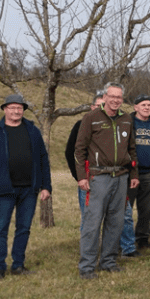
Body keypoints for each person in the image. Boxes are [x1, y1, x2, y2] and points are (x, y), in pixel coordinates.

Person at [0, 94, 52, 278]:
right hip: (3, 190)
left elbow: (43, 159)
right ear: (4, 109)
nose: (16, 111)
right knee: (0, 229)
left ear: (23, 110)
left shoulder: (32, 131)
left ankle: (18, 265)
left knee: (24, 227)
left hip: (29, 189)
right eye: (12, 108)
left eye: (19, 108)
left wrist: (46, 186)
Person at [74, 82, 139, 279]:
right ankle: (86, 266)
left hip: (121, 177)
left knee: (116, 222)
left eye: (119, 97)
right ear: (105, 96)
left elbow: (132, 149)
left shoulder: (127, 119)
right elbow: (79, 149)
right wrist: (81, 177)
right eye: (112, 96)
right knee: (93, 223)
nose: (116, 100)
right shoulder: (91, 118)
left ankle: (108, 261)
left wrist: (134, 175)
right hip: (98, 177)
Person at [130, 94, 150, 252]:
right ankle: (126, 239)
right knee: (125, 210)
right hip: (131, 174)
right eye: (143, 105)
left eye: (149, 105)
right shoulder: (128, 123)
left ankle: (142, 238)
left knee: (145, 210)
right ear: (135, 107)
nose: (146, 108)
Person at [65, 90, 103, 228]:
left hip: (108, 179)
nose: (101, 109)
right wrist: (79, 176)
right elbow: (70, 152)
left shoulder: (112, 126)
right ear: (92, 107)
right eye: (98, 106)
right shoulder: (80, 125)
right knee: (88, 217)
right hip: (87, 179)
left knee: (110, 217)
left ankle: (108, 248)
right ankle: (88, 249)